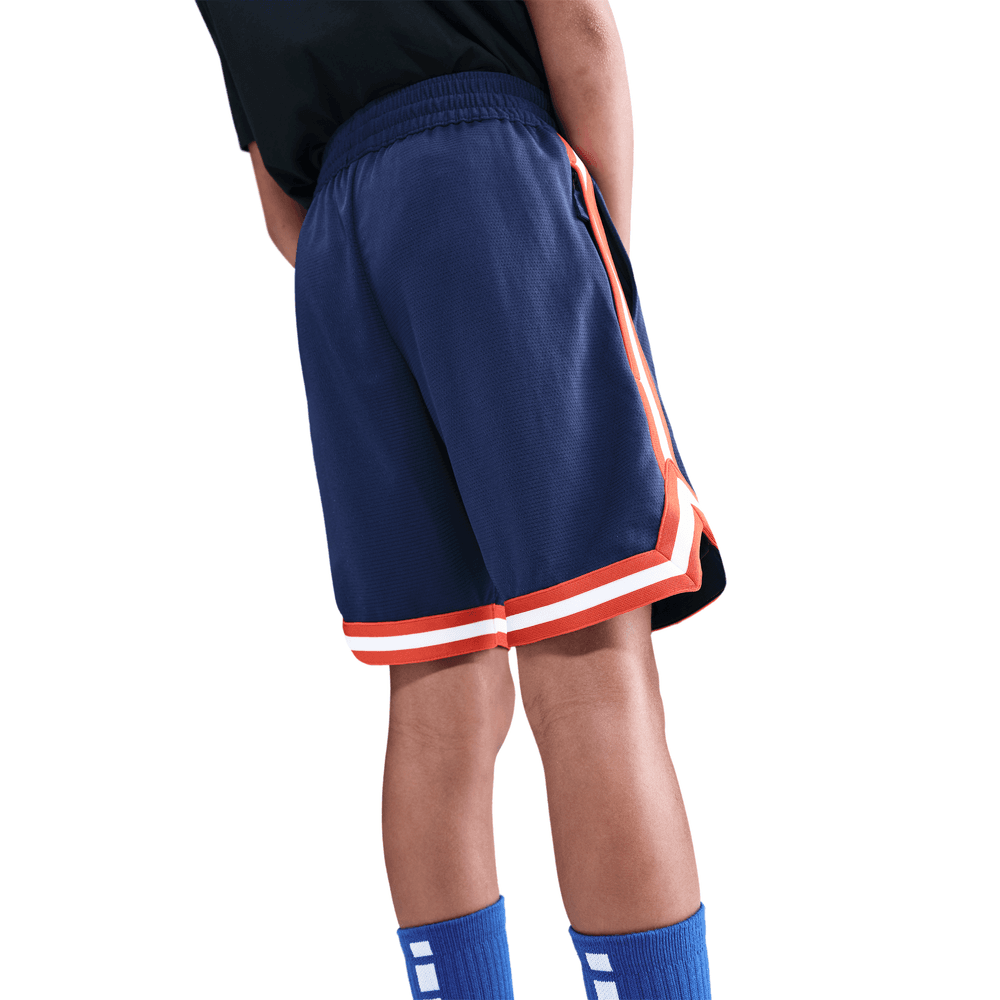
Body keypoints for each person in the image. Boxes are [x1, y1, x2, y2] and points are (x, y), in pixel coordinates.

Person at [194, 2, 725, 997]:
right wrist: (585, 239)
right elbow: (578, 28)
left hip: (339, 247)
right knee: (589, 666)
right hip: (489, 172)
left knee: (439, 691)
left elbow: (276, 197)